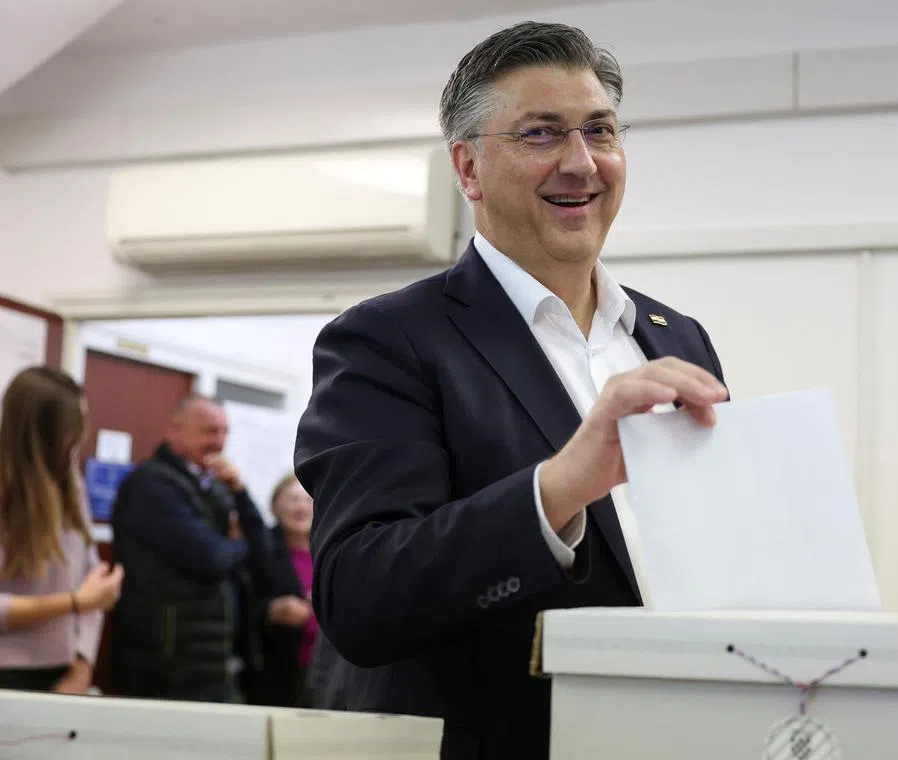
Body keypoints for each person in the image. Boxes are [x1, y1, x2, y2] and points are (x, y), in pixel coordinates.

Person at [294, 21, 728, 759]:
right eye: (541, 134)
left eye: (600, 130)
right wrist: (557, 487)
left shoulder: (674, 334)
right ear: (467, 169)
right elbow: (359, 598)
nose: (581, 162)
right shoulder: (388, 339)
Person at [109, 394, 276, 703]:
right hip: (164, 666)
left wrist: (240, 492)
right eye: (210, 431)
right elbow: (209, 558)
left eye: (225, 432)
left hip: (213, 661)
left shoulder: (215, 486)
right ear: (175, 429)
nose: (220, 442)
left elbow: (264, 554)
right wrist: (239, 543)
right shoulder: (151, 484)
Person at [0, 366, 124, 692]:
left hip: (63, 670)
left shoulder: (70, 482)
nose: (84, 431)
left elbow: (93, 579)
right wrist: (73, 602)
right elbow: (86, 597)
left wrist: (83, 665)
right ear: (44, 429)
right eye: (74, 422)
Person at [241, 473, 315, 707]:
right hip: (277, 671)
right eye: (293, 499)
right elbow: (241, 607)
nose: (301, 507)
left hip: (328, 670)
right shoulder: (260, 552)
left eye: (307, 500)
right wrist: (272, 611)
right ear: (274, 507)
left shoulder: (330, 550)